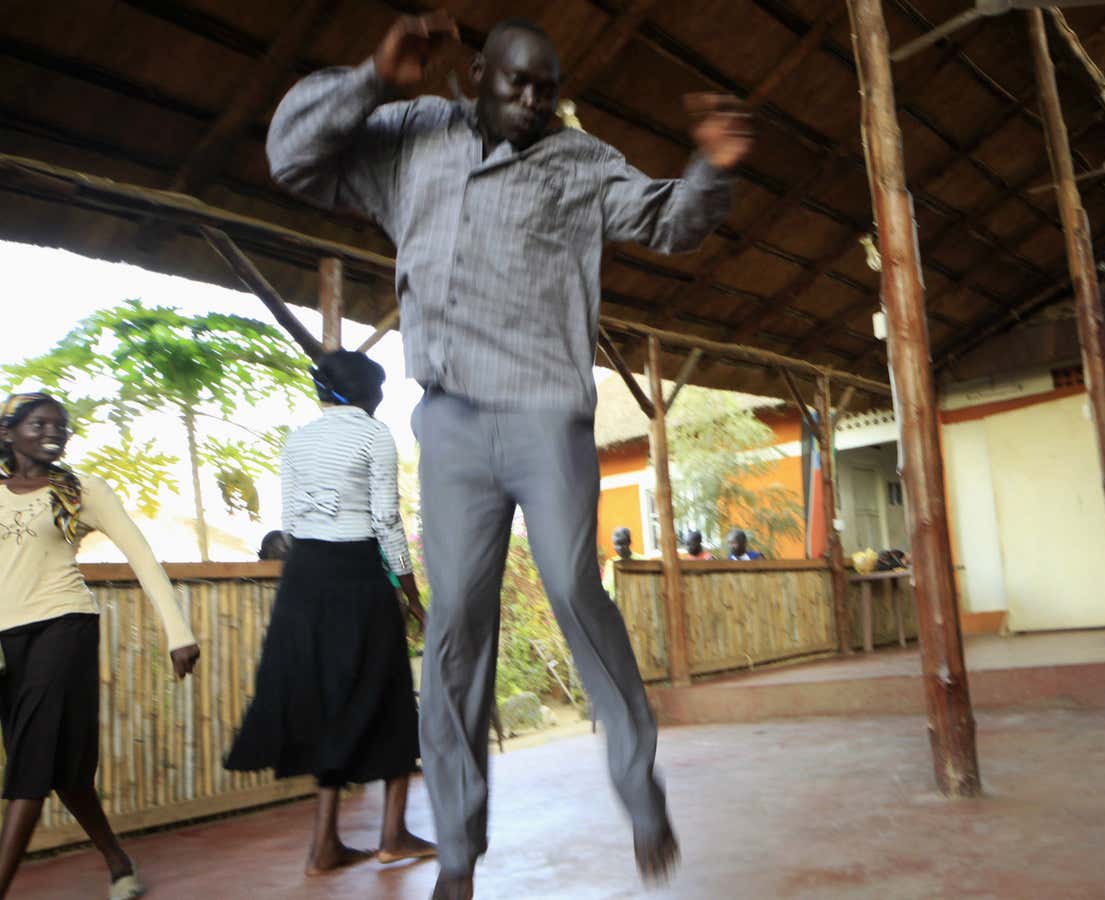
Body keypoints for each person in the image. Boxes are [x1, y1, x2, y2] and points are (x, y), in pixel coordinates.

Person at [266, 12, 751, 895]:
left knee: (570, 583)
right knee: (455, 630)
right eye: (516, 83)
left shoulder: (580, 161)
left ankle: (638, 786)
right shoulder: (414, 138)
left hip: (543, 416)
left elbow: (670, 222)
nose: (532, 102)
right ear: (476, 74)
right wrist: (374, 77)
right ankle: (457, 853)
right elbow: (293, 157)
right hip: (450, 423)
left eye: (547, 91)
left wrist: (708, 168)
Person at [224, 351, 434, 876]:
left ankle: (324, 845)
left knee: (328, 703)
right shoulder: (373, 434)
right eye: (379, 389)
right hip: (356, 573)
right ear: (366, 393)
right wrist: (411, 594)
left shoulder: (297, 439)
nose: (381, 398)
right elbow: (386, 520)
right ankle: (392, 835)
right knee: (387, 697)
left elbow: (291, 520)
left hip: (304, 579)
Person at [0, 393, 201, 900]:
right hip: (7, 640)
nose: (53, 432)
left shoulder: (82, 490)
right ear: (8, 433)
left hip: (63, 627)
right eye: (39, 423)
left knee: (29, 760)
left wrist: (178, 633)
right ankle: (117, 859)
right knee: (65, 770)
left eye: (60, 427)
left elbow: (142, 558)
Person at [601, 525, 633, 596]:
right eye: (616, 544)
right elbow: (606, 587)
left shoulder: (641, 562)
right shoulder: (610, 563)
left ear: (629, 542)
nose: (619, 548)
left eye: (622, 543)